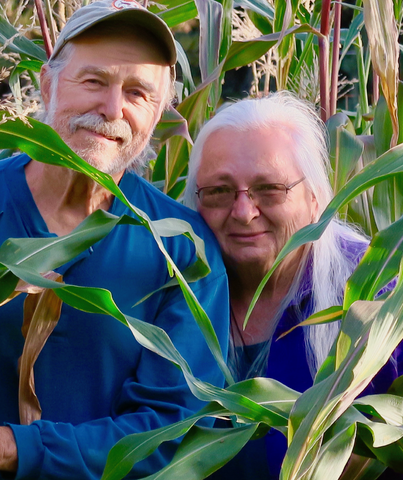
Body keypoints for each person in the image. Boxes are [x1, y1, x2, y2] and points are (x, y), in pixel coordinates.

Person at [0, 1, 229, 479]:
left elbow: (173, 432)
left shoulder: (185, 251)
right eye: (94, 81)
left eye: (137, 92)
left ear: (159, 113)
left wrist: (13, 447)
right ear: (47, 83)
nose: (112, 108)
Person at [184, 91, 402, 479]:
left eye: (270, 189)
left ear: (316, 197)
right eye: (219, 191)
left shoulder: (379, 294)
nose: (244, 212)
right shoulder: (171, 291)